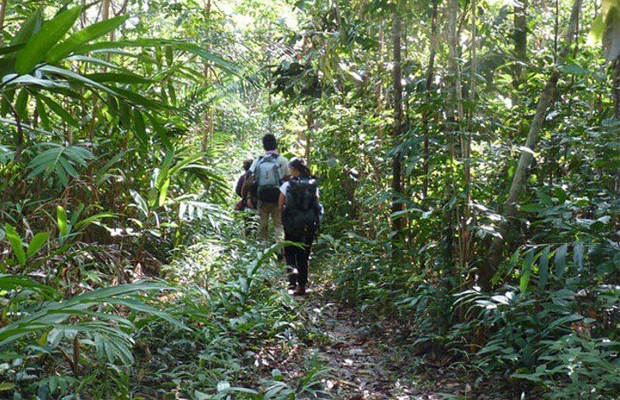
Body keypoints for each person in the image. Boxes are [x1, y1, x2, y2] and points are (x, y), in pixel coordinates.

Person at [279, 158, 322, 296]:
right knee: (304, 254)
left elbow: (280, 206)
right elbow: (316, 205)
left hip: (292, 224)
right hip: (308, 225)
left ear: (293, 169)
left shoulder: (287, 185)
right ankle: (302, 285)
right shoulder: (313, 184)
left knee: (290, 252)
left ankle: (292, 283)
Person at [243, 134, 290, 243]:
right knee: (279, 225)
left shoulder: (258, 160)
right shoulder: (282, 160)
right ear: (276, 144)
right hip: (278, 198)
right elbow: (288, 178)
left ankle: (262, 251)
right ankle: (280, 249)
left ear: (264, 146)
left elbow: (248, 175)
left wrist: (248, 197)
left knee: (262, 226)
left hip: (262, 198)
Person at [234, 159, 255, 236]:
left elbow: (238, 190)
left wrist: (245, 197)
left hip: (247, 204)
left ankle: (249, 240)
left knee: (248, 225)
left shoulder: (243, 177)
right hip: (258, 204)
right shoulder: (258, 176)